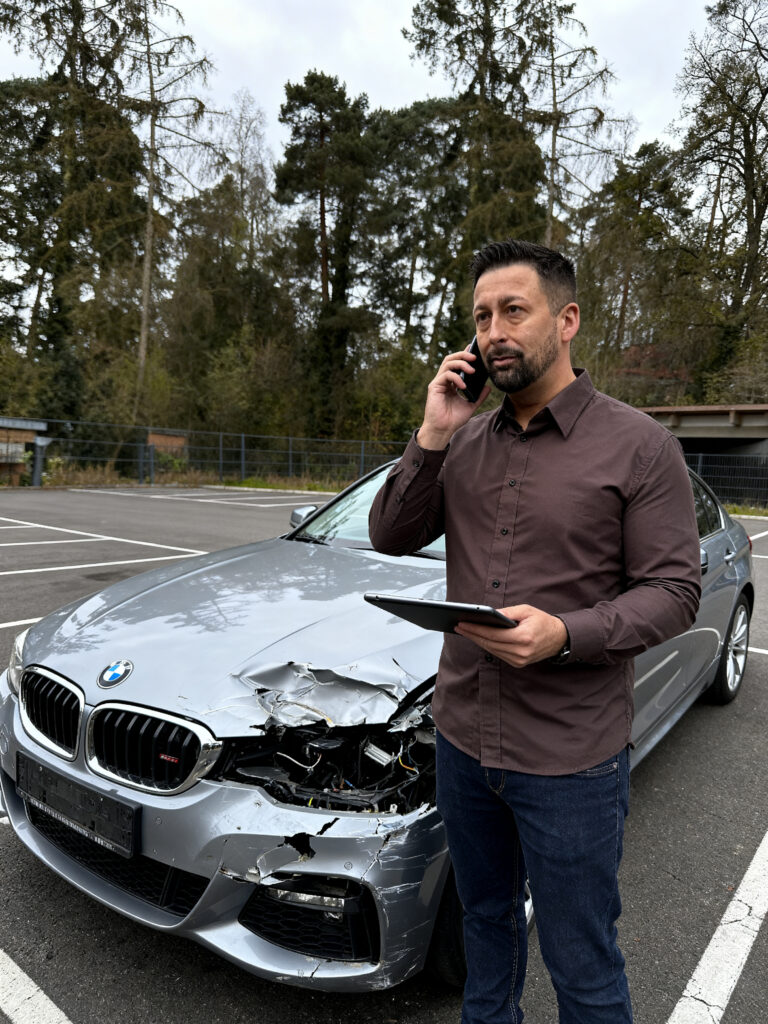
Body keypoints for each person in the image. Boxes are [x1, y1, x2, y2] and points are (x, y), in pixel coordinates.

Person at [368, 239, 701, 1024]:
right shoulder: (465, 442)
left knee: (581, 959)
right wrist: (433, 430)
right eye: (481, 317)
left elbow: (675, 591)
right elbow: (388, 534)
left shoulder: (641, 446)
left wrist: (567, 633)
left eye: (514, 310)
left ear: (568, 319)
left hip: (571, 760)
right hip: (463, 742)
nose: (493, 332)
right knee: (485, 929)